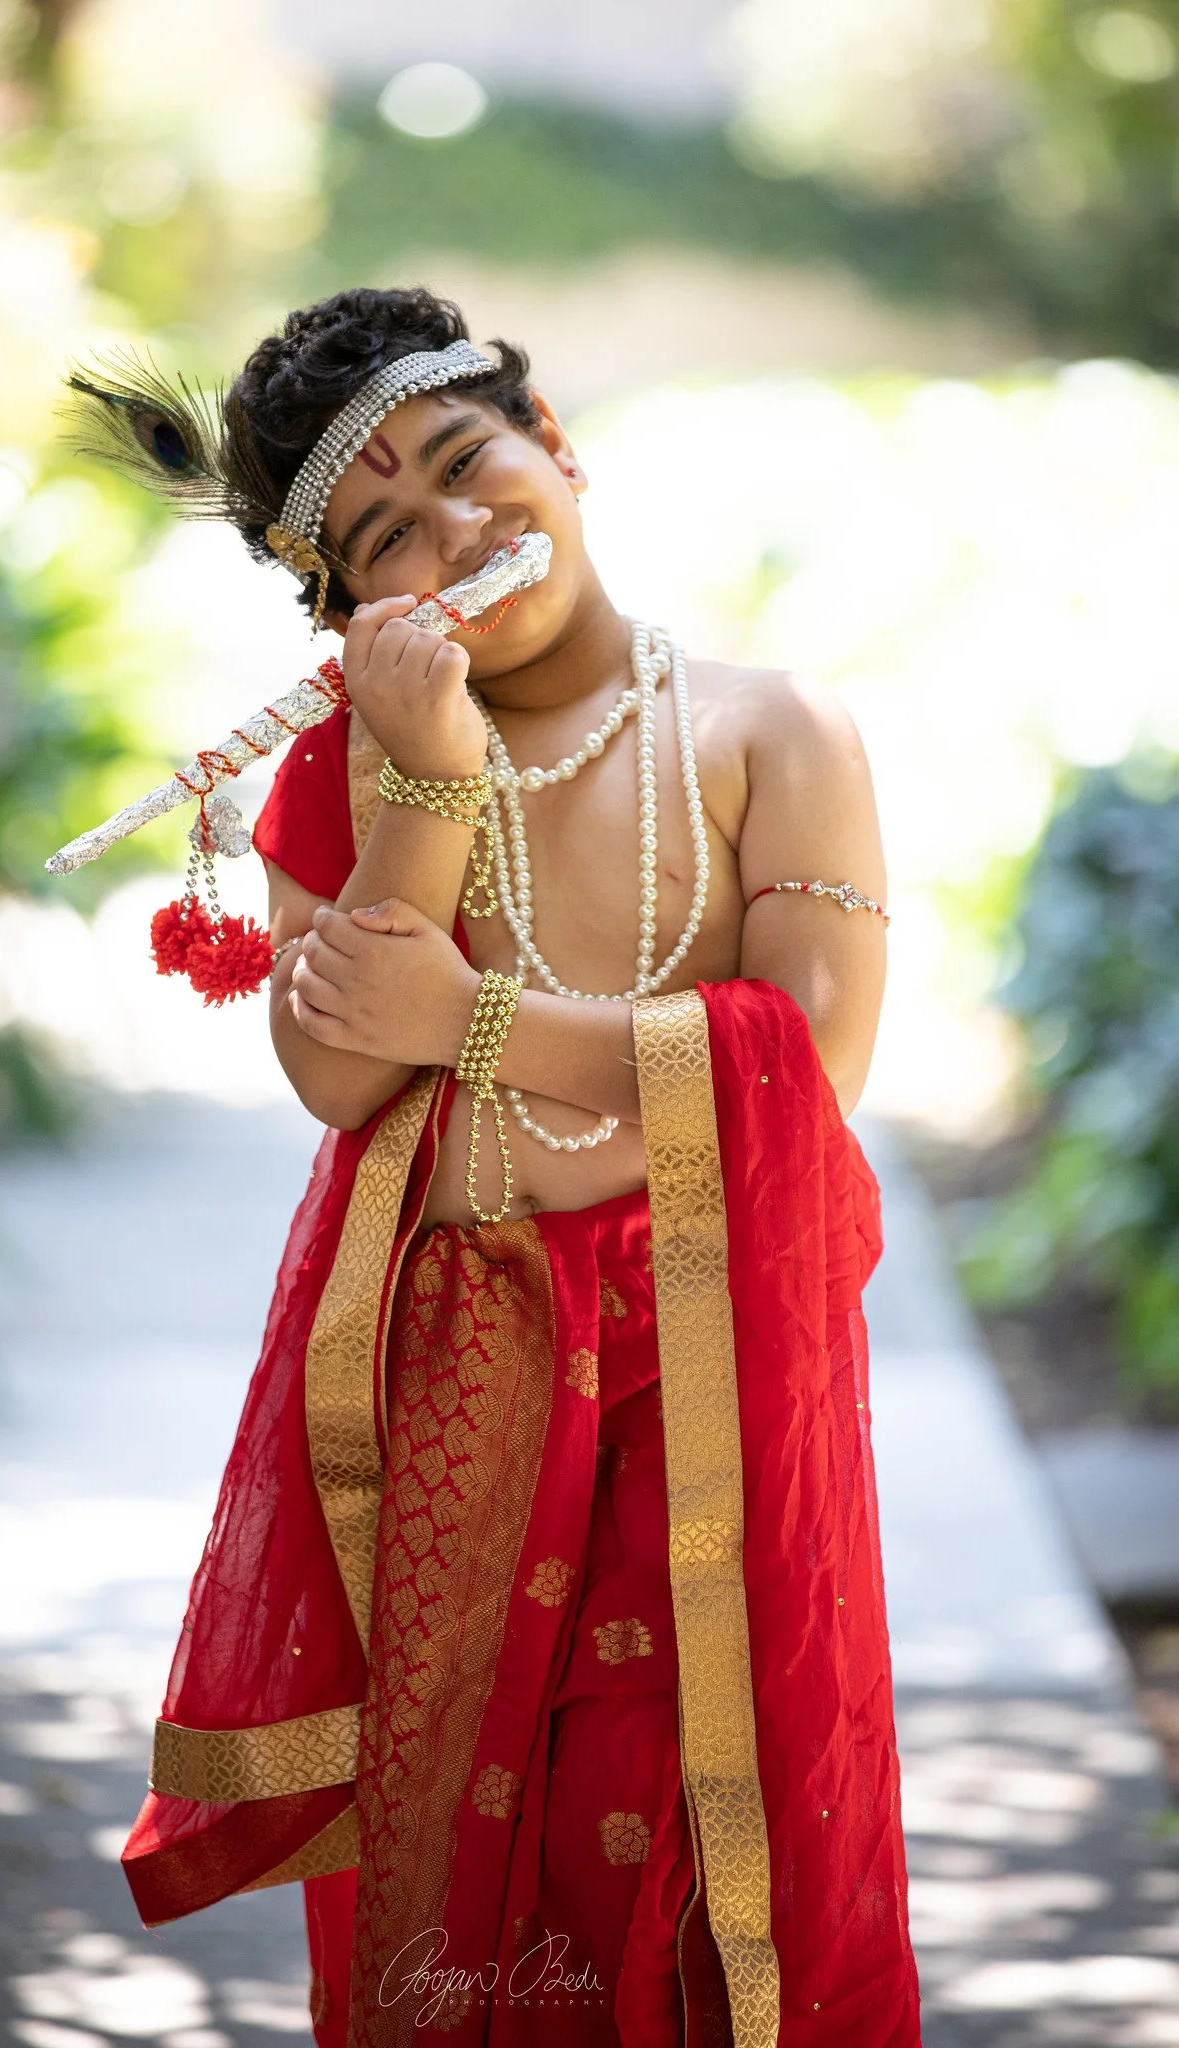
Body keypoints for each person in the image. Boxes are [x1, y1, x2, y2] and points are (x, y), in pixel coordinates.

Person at [97, 287, 921, 2047]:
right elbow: (335, 1064)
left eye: (472, 466)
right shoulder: (359, 763)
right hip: (451, 1389)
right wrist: (429, 777)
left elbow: (812, 1062)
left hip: (690, 1380)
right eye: (384, 535)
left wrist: (473, 1021)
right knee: (460, 1858)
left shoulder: (768, 732)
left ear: (561, 448)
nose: (456, 533)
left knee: (686, 1852)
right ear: (342, 614)